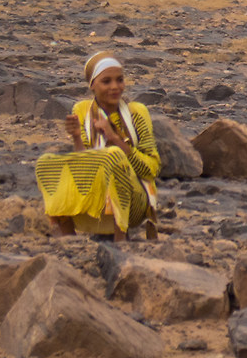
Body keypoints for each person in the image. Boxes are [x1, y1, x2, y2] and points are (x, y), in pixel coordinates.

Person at [34, 53, 160, 239]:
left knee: (114, 158)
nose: (115, 87)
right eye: (106, 81)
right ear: (92, 85)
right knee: (47, 163)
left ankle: (120, 239)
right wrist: (77, 137)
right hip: (97, 197)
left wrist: (115, 139)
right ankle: (67, 239)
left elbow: (152, 169)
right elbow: (84, 166)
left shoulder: (136, 113)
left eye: (119, 80)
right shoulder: (83, 111)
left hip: (135, 201)